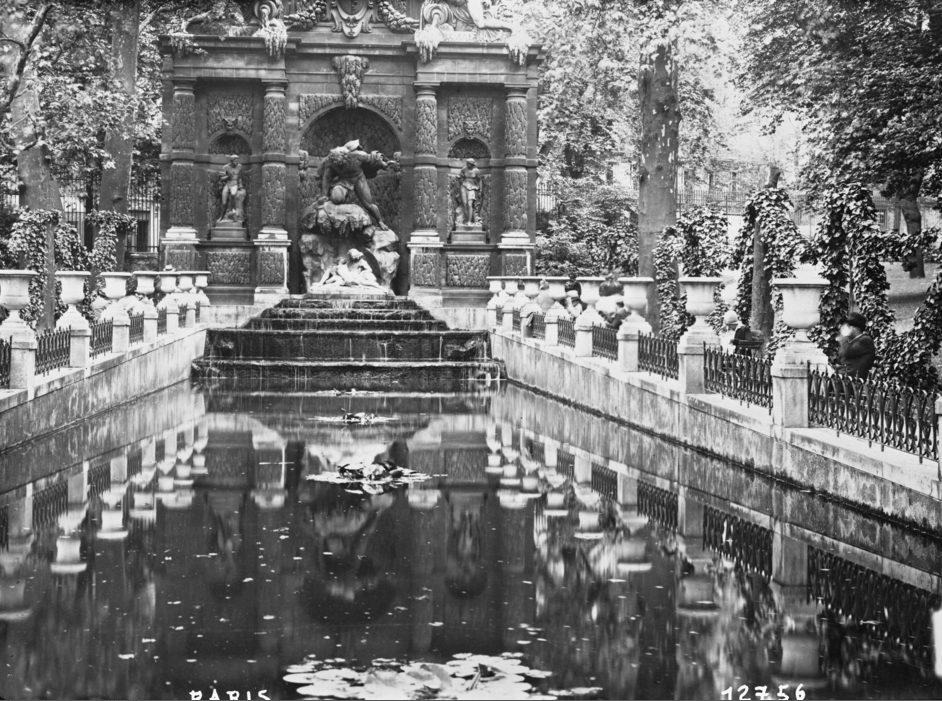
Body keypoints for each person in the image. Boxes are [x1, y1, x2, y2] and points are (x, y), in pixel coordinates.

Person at [837, 311, 876, 379]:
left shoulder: (865, 340)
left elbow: (846, 352)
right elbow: (842, 355)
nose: (844, 328)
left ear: (856, 328)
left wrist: (843, 337)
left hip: (855, 381)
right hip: (845, 379)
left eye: (848, 326)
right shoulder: (851, 341)